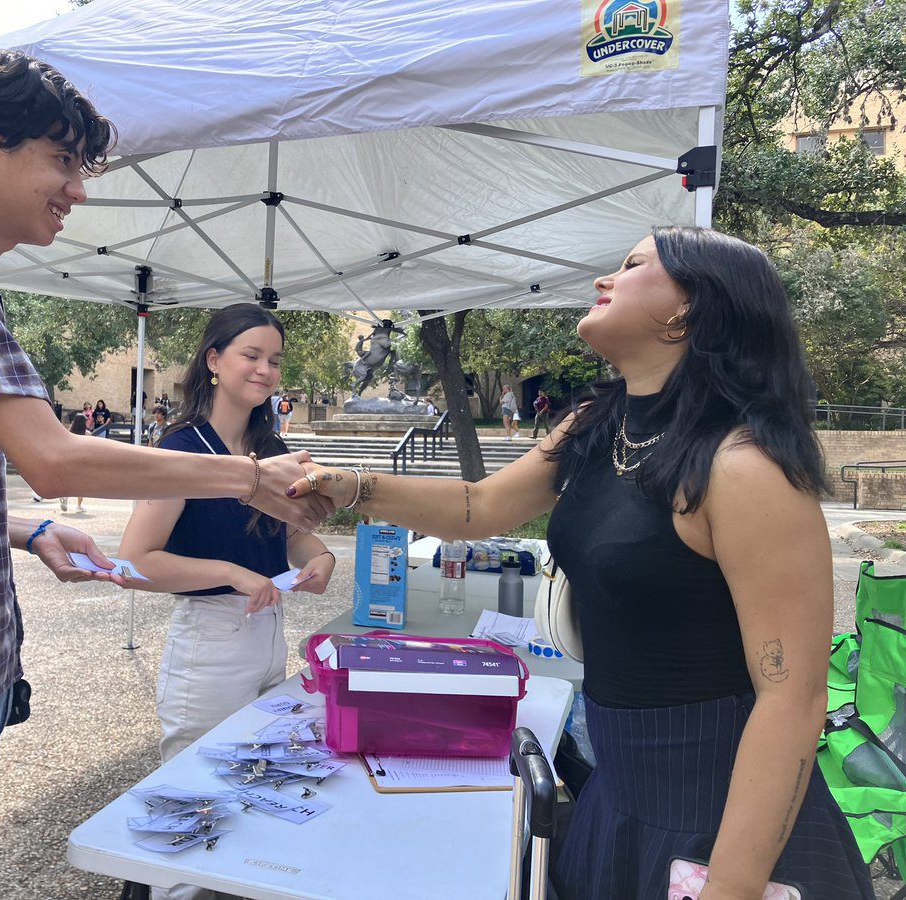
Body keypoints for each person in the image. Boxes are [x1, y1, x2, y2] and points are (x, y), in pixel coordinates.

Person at [0, 48, 327, 900]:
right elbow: (51, 456)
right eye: (64, 161)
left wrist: (28, 529)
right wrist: (247, 478)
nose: (77, 188)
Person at [288, 227, 873, 899]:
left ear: (688, 310)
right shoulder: (600, 422)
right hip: (616, 798)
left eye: (631, 266)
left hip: (723, 827)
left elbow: (791, 699)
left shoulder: (744, 469)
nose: (604, 279)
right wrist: (352, 486)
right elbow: (481, 506)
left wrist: (732, 889)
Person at [119, 304, 336, 789]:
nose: (265, 370)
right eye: (252, 355)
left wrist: (321, 555)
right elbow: (134, 561)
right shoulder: (181, 449)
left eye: (275, 360)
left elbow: (291, 530)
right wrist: (231, 572)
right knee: (198, 784)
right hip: (211, 641)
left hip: (270, 631)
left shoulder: (271, 449)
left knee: (258, 775)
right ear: (214, 361)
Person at [61, 405, 91, 513]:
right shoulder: (87, 434)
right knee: (82, 485)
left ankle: (65, 496)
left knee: (68, 481)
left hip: (70, 460)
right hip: (82, 462)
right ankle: (79, 506)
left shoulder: (69, 433)